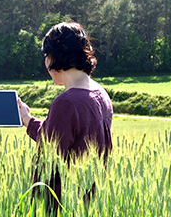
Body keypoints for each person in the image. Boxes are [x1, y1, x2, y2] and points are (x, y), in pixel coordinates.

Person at [17, 22, 113, 212]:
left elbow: (46, 161)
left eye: (46, 56)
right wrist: (27, 120)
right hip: (89, 204)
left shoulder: (66, 102)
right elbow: (58, 135)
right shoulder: (100, 93)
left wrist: (32, 206)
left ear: (54, 58)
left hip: (63, 205)